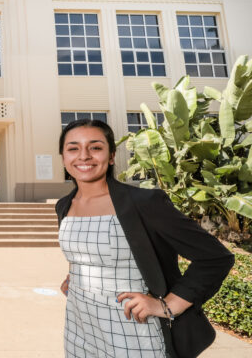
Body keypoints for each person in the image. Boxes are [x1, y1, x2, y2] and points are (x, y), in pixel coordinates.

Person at [55, 119, 234, 357]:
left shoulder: (143, 203)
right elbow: (87, 251)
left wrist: (168, 305)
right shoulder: (64, 205)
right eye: (73, 148)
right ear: (64, 157)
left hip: (132, 329)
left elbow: (215, 258)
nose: (84, 156)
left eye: (95, 147)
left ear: (110, 157)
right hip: (80, 325)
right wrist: (77, 274)